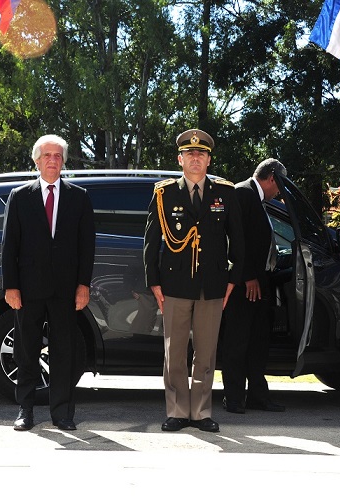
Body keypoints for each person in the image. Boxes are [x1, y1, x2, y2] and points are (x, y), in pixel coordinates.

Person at [143, 128, 244, 433]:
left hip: (212, 284)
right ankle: (176, 411)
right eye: (190, 154)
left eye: (201, 154)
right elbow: (151, 240)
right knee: (174, 352)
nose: (195, 158)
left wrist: (233, 279)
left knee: (206, 352)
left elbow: (237, 239)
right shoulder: (164, 193)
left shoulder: (225, 192)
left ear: (209, 160)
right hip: (174, 284)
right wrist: (154, 281)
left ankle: (200, 412)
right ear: (180, 159)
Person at [1, 134, 95, 432]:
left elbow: (86, 245)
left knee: (64, 352)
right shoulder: (20, 196)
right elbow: (9, 246)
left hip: (66, 290)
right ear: (37, 161)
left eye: (58, 156)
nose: (52, 160)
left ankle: (63, 413)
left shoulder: (79, 197)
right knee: (26, 350)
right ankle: (25, 410)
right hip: (28, 289)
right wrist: (11, 286)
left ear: (63, 161)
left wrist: (83, 285)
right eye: (47, 156)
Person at [220, 158, 287, 414]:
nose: (279, 191)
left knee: (258, 342)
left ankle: (258, 396)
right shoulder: (242, 193)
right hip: (242, 285)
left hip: (260, 283)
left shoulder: (259, 201)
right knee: (237, 341)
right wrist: (247, 275)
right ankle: (234, 398)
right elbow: (234, 238)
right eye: (279, 185)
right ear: (272, 177)